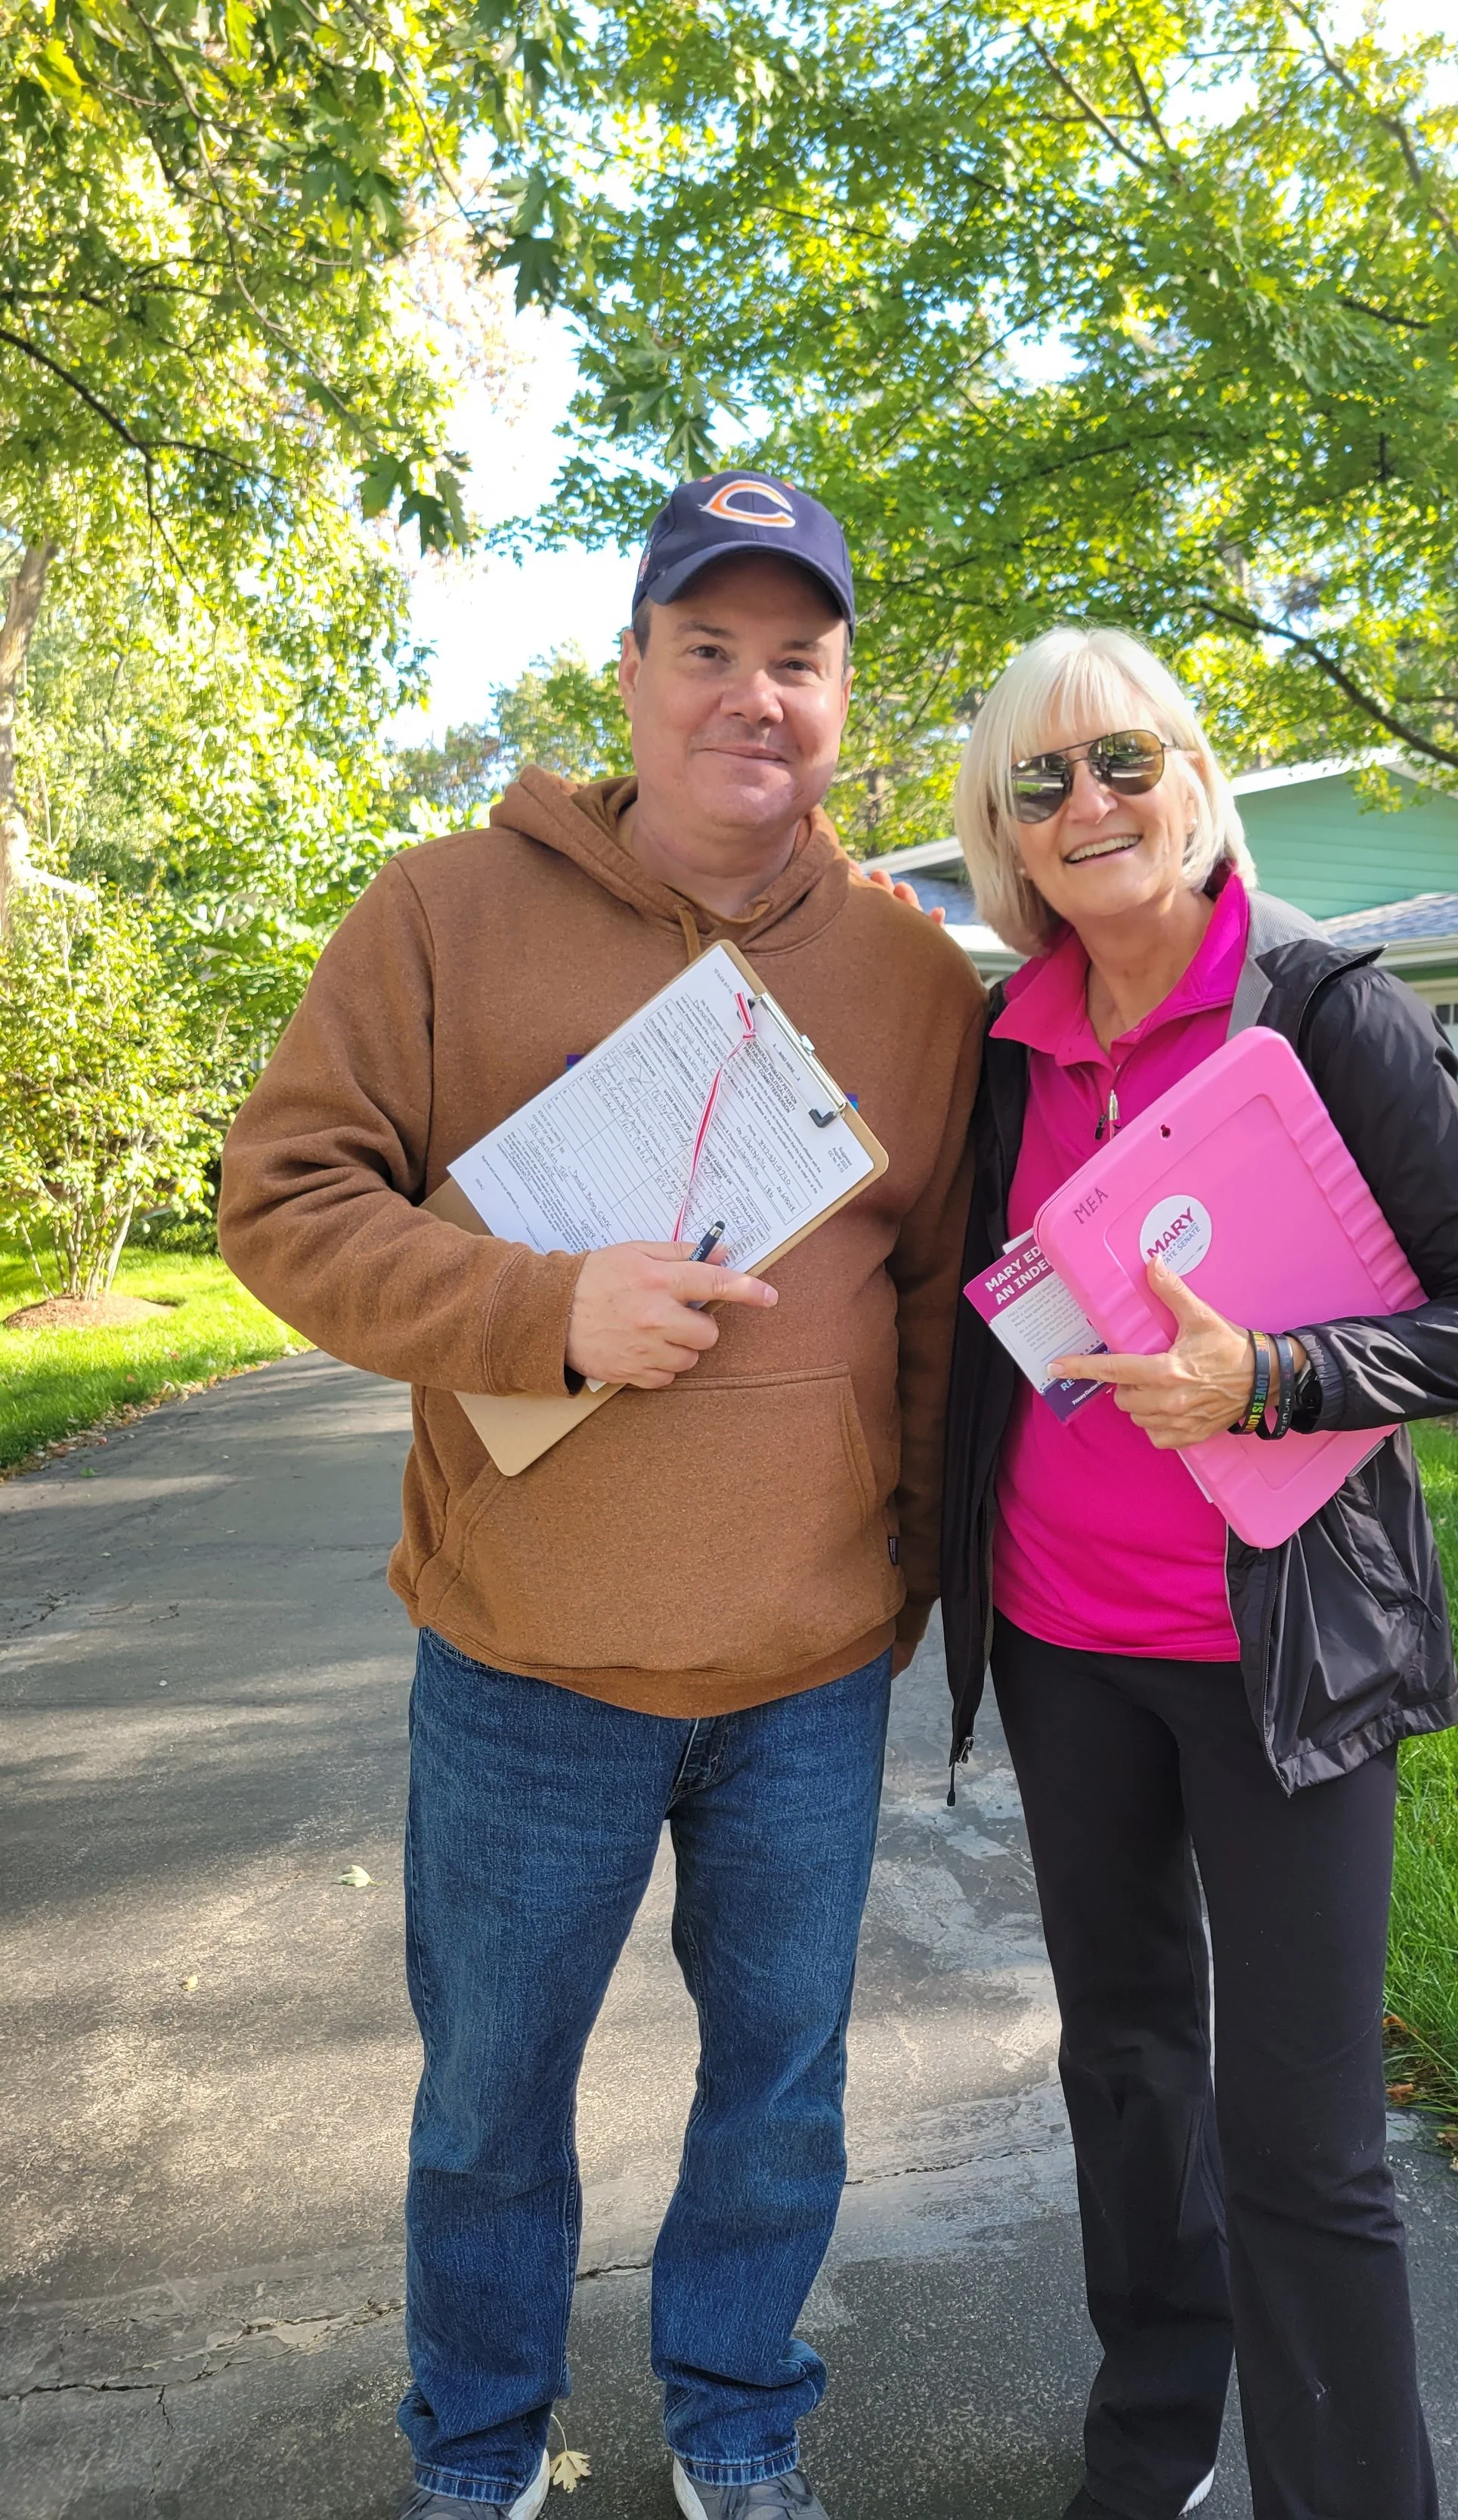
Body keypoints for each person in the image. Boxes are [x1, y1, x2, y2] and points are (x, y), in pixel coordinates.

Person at [218, 473, 986, 2520]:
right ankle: (473, 2454)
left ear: (846, 699)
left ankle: (738, 2425)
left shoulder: (918, 976)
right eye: (710, 649)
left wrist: (903, 1576)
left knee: (778, 2098)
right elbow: (281, 1204)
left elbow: (924, 1303)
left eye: (798, 661)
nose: (755, 694)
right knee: (488, 2107)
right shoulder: (439, 918)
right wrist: (543, 1305)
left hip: (808, 1675)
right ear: (631, 673)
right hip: (524, 1664)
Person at [938, 627, 1458, 2520]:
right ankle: (1154, 2437)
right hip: (1063, 1643)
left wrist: (1269, 1376)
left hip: (1274, 1649)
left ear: (1188, 776)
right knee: (1126, 2064)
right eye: (1037, 784)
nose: (1086, 805)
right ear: (1002, 835)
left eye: (1118, 759)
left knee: (1302, 2139)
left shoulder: (1323, 1009)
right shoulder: (1001, 1045)